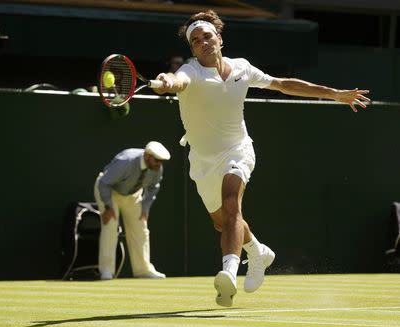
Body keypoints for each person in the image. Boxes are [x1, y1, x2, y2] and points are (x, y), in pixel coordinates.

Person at [153, 10, 370, 307]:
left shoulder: (242, 68)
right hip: (202, 161)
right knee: (223, 223)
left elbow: (282, 83)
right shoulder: (191, 72)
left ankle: (228, 273)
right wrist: (167, 80)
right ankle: (257, 252)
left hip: (238, 149)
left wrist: (334, 94)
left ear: (219, 38)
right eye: (195, 41)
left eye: (207, 36)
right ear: (192, 50)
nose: (203, 42)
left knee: (232, 204)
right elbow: (178, 80)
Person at [93, 141, 171, 280]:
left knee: (141, 229)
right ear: (147, 156)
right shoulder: (126, 161)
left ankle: (143, 270)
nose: (159, 164)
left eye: (161, 161)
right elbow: (104, 183)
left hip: (132, 195)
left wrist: (145, 208)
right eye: (157, 160)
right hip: (109, 191)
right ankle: (106, 270)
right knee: (110, 226)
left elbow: (153, 187)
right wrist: (108, 207)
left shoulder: (157, 168)